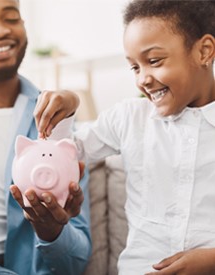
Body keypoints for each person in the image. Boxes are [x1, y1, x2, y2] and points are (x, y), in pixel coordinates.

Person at [35, 0, 215, 274]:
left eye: (154, 61)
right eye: (134, 67)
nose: (143, 79)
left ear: (204, 51)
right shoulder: (128, 118)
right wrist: (69, 104)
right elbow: (65, 154)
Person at [0, 0, 91, 274]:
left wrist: (52, 232)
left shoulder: (58, 126)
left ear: (23, 26)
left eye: (11, 18)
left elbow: (75, 261)